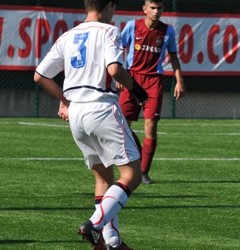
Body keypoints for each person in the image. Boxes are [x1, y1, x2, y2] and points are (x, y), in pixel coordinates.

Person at [33, 0, 148, 249]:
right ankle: (94, 224)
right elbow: (115, 69)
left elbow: (39, 75)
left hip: (77, 116)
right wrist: (137, 89)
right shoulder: (109, 30)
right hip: (102, 108)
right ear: (107, 6)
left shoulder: (68, 35)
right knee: (132, 174)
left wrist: (64, 100)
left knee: (103, 178)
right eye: (114, 7)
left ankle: (111, 242)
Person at [117, 0, 186, 184]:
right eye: (153, 8)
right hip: (132, 80)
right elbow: (118, 49)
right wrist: (119, 75)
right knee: (123, 126)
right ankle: (139, 155)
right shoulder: (133, 26)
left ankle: (144, 171)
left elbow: (173, 56)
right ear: (145, 9)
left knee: (151, 127)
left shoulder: (167, 31)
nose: (156, 12)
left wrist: (179, 80)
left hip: (154, 82)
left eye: (159, 8)